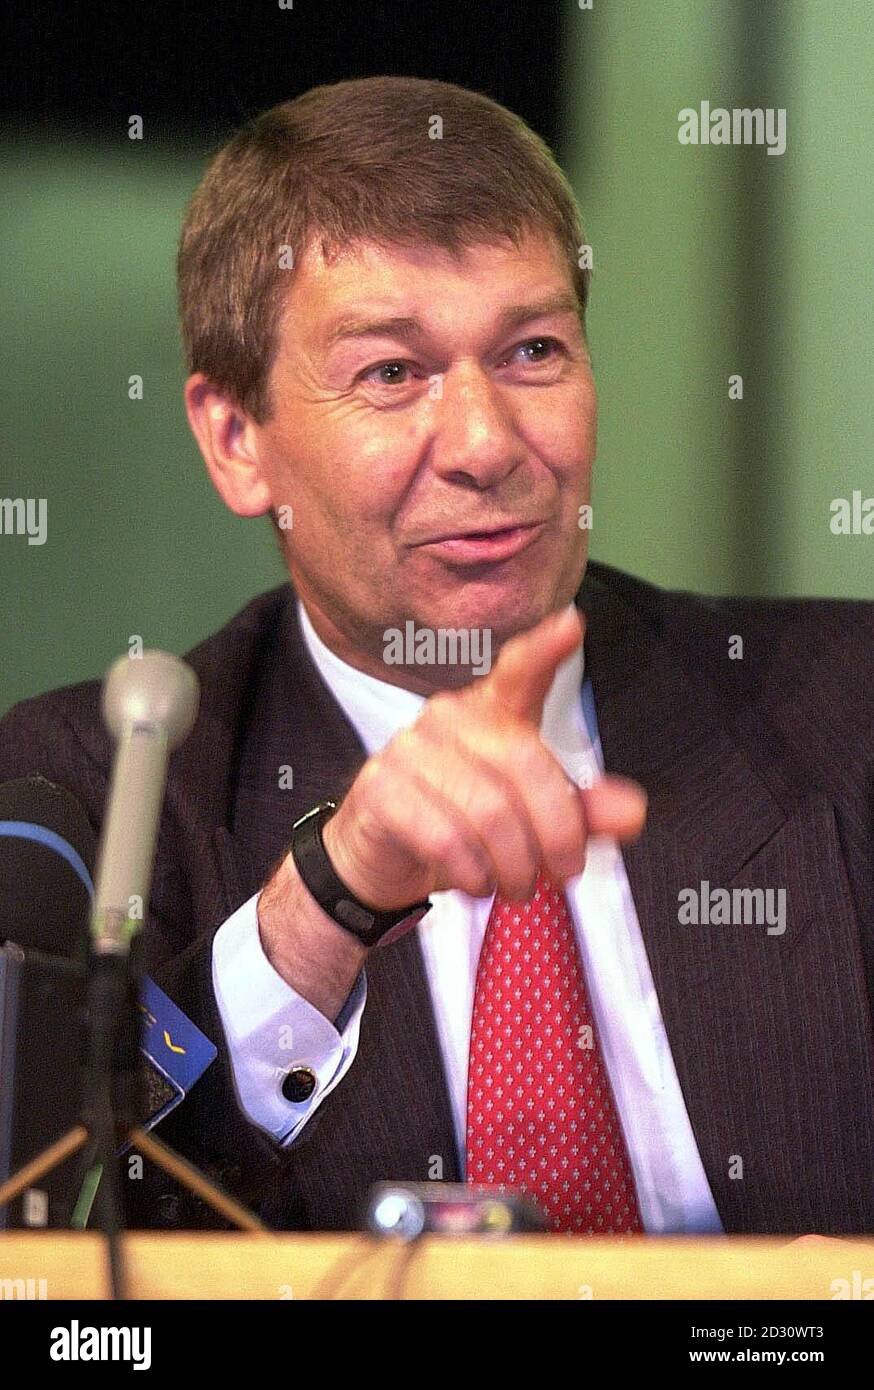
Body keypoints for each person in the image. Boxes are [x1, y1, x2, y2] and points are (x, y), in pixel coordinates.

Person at [2, 76, 873, 1235]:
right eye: (391, 372)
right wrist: (327, 900)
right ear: (236, 440)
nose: (483, 443)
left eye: (531, 350)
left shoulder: (846, 716)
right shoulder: (104, 798)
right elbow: (68, 1215)